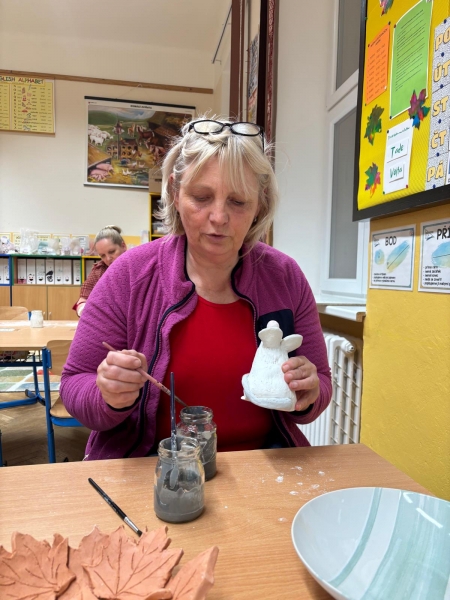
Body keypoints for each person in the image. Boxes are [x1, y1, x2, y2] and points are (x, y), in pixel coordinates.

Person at [61, 117, 332, 461]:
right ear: (175, 192)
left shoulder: (284, 277)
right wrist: (108, 395)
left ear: (260, 203)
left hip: (264, 467)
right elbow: (74, 383)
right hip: (151, 467)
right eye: (201, 197)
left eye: (238, 201)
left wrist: (307, 394)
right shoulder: (129, 275)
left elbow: (321, 383)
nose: (218, 217)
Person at [73, 225, 127, 317]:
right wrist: (82, 309)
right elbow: (82, 300)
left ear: (123, 246)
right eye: (103, 255)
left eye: (112, 252)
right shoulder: (99, 270)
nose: (108, 259)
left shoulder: (137, 264)